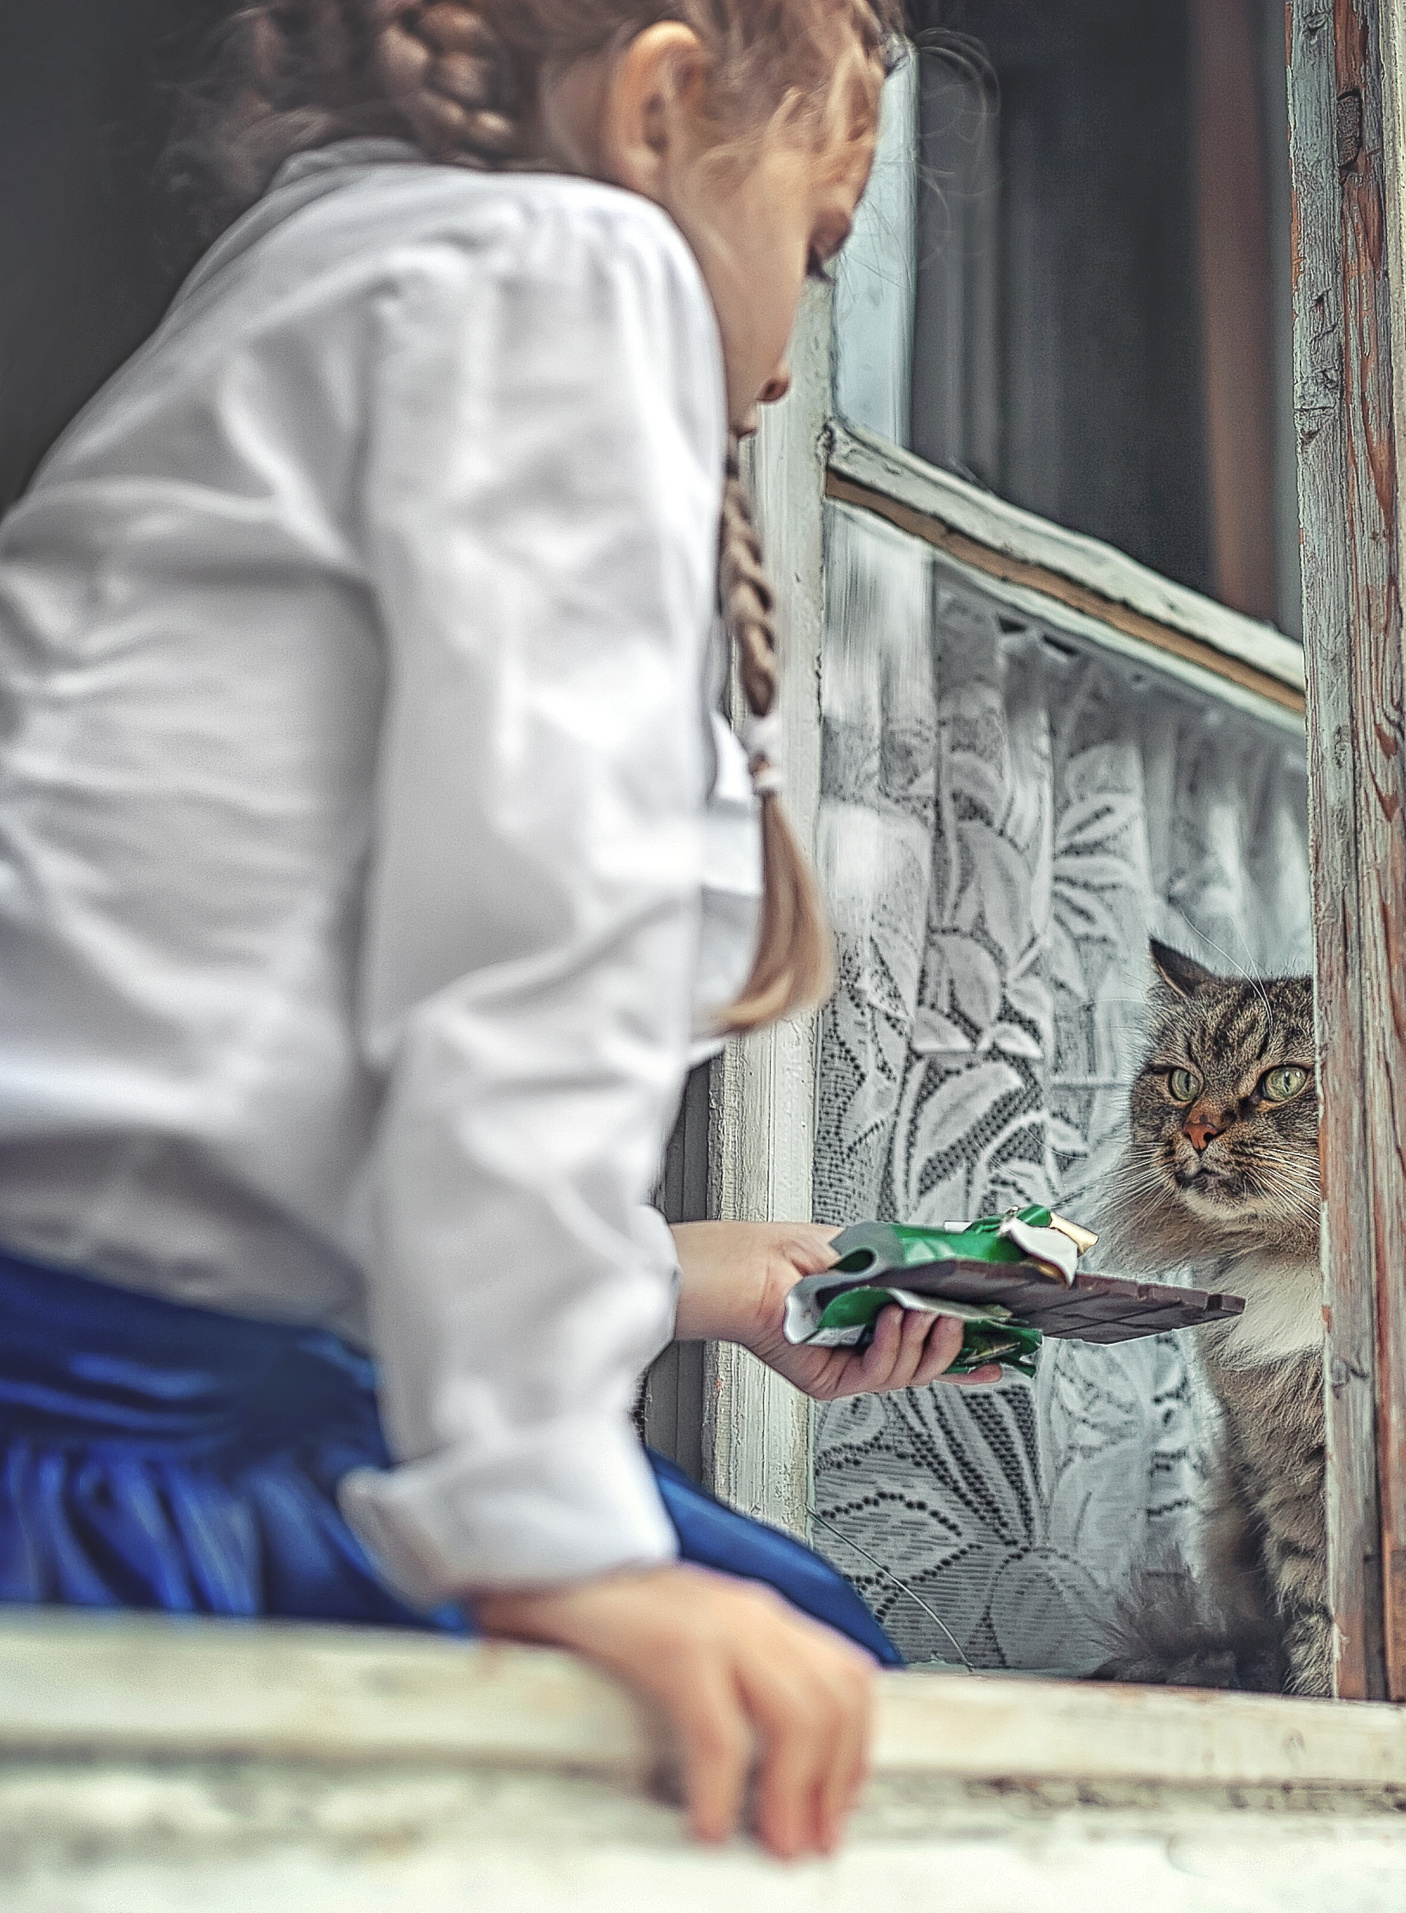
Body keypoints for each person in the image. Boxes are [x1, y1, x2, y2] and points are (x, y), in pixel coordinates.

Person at [0, 0, 981, 1862]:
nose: (793, 348)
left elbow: (228, 1097)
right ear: (663, 101)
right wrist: (555, 1532)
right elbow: (524, 948)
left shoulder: (337, 279)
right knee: (818, 1710)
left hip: (116, 1378)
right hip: (106, 1443)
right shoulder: (562, 262)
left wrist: (696, 1279)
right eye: (819, 242)